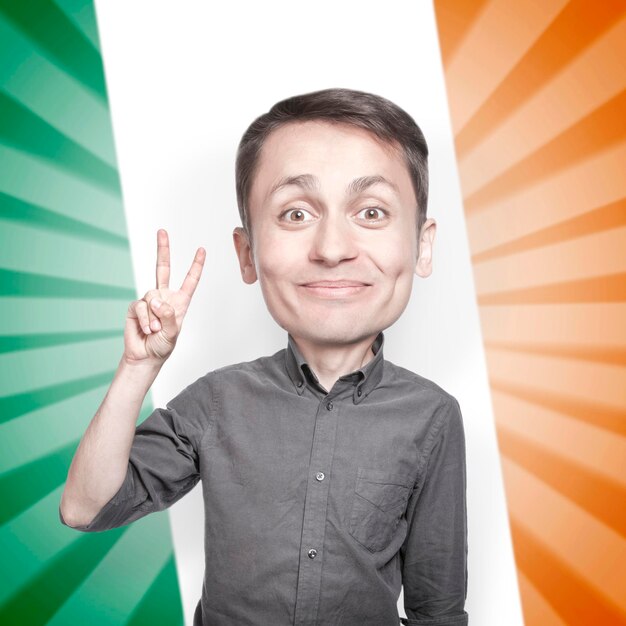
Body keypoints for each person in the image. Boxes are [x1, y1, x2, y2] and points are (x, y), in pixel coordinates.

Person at [59, 87, 469, 626]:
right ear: (248, 253)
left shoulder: (433, 416)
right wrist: (138, 367)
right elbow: (86, 507)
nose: (331, 248)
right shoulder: (216, 401)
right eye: (296, 213)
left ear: (422, 245)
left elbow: (436, 608)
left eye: (370, 211)